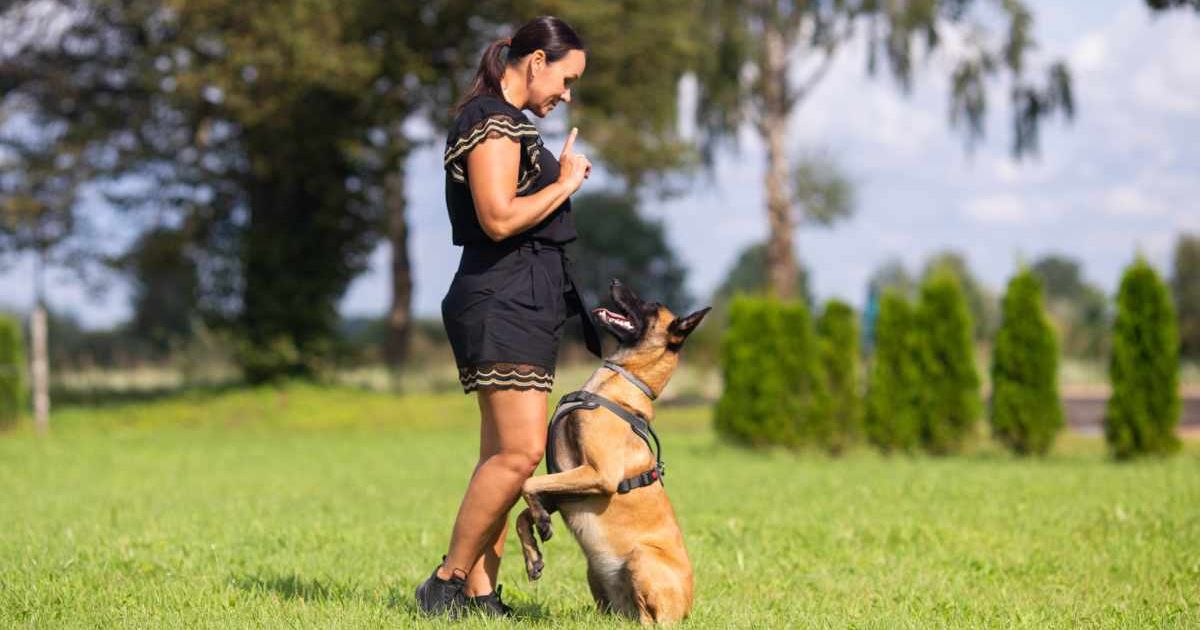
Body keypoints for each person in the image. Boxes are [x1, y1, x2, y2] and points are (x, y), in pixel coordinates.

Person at [414, 15, 601, 618]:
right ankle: (444, 584)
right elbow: (496, 217)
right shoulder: (492, 119)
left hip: (520, 296)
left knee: (501, 455)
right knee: (519, 456)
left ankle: (480, 596)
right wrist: (565, 182)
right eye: (565, 80)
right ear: (536, 62)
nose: (565, 96)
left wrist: (555, 174)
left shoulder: (509, 124)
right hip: (503, 297)